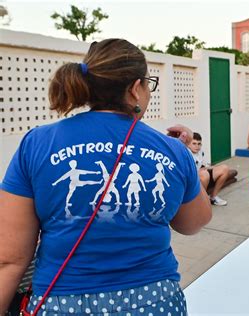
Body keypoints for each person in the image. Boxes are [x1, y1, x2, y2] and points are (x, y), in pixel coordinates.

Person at [0, 39, 212, 315]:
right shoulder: (171, 150)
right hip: (154, 302)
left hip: (63, 304)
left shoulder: (37, 143)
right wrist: (186, 161)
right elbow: (193, 223)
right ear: (136, 88)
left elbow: (10, 259)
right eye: (149, 84)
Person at [188, 132, 230, 206]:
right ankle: (200, 201)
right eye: (194, 144)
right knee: (205, 174)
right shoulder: (186, 153)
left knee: (224, 168)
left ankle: (213, 197)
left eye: (199, 144)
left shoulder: (200, 152)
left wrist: (212, 167)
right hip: (192, 178)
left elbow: (203, 165)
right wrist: (200, 171)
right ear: (188, 144)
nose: (197, 146)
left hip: (201, 175)